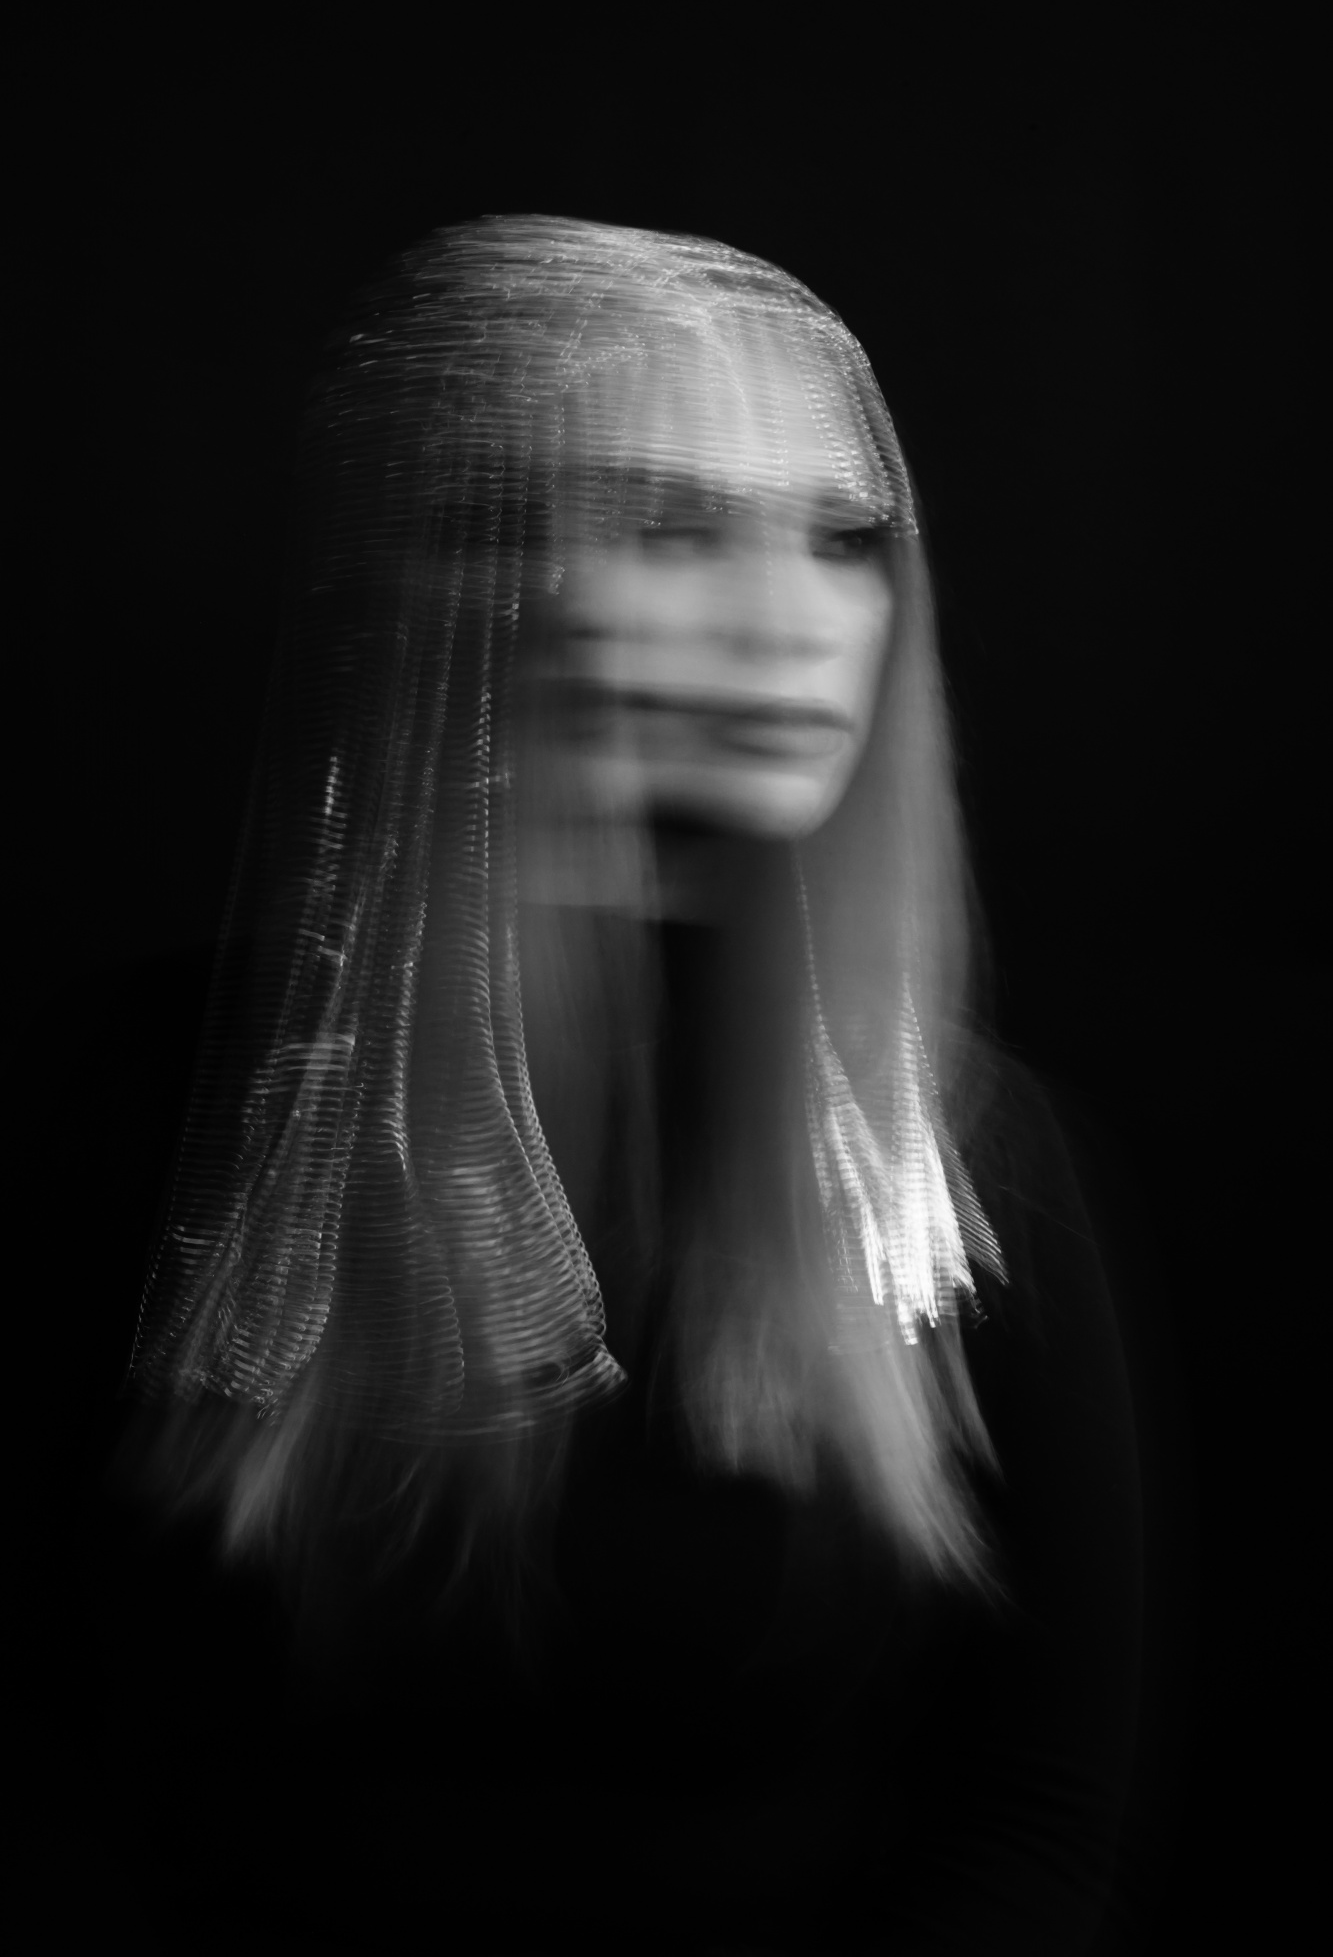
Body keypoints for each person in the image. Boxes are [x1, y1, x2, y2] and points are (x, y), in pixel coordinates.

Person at [109, 217, 1143, 1954]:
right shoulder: (157, 1100)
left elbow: (1038, 1816)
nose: (789, 620)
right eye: (670, 528)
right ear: (450, 572)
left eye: (842, 537)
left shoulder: (959, 1169)